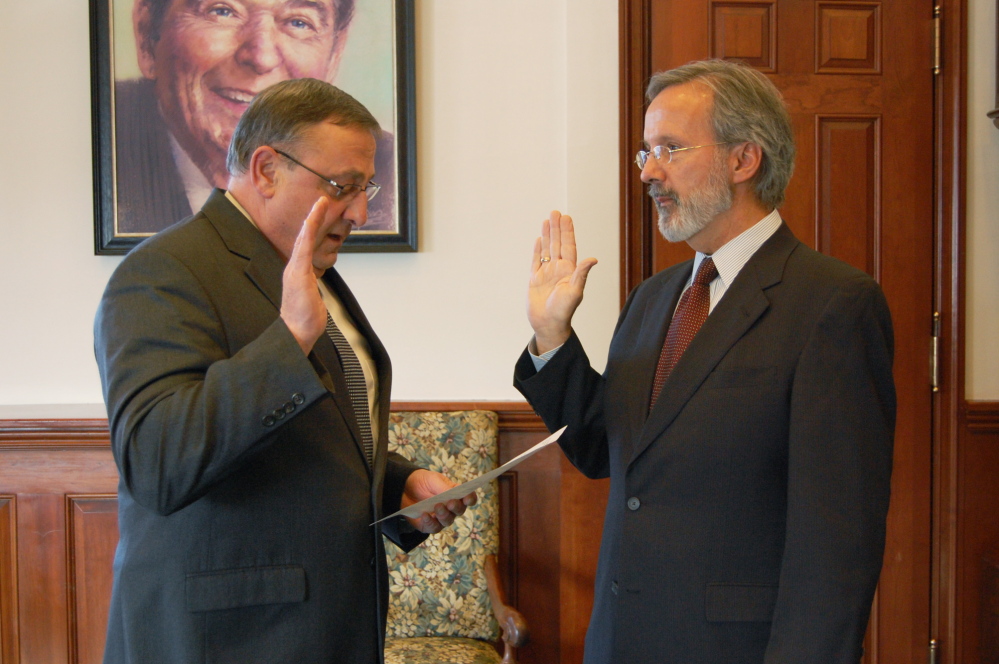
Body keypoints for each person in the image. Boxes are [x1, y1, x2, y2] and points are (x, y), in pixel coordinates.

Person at [514, 59, 895, 663]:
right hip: (620, 642)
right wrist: (551, 337)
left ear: (743, 160)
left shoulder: (834, 305)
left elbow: (837, 547)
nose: (649, 172)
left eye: (669, 148)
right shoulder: (651, 299)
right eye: (646, 152)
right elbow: (602, 450)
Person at [95, 78, 470, 664]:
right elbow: (158, 462)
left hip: (326, 627)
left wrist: (396, 486)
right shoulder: (163, 273)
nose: (362, 211)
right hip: (226, 640)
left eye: (366, 187)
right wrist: (289, 339)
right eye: (342, 187)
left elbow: (304, 441)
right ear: (266, 169)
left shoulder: (309, 272)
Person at [114, 0, 396, 234]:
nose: (261, 57)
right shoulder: (109, 149)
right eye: (222, 10)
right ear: (147, 34)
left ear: (335, 55)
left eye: (299, 22)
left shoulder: (382, 167)